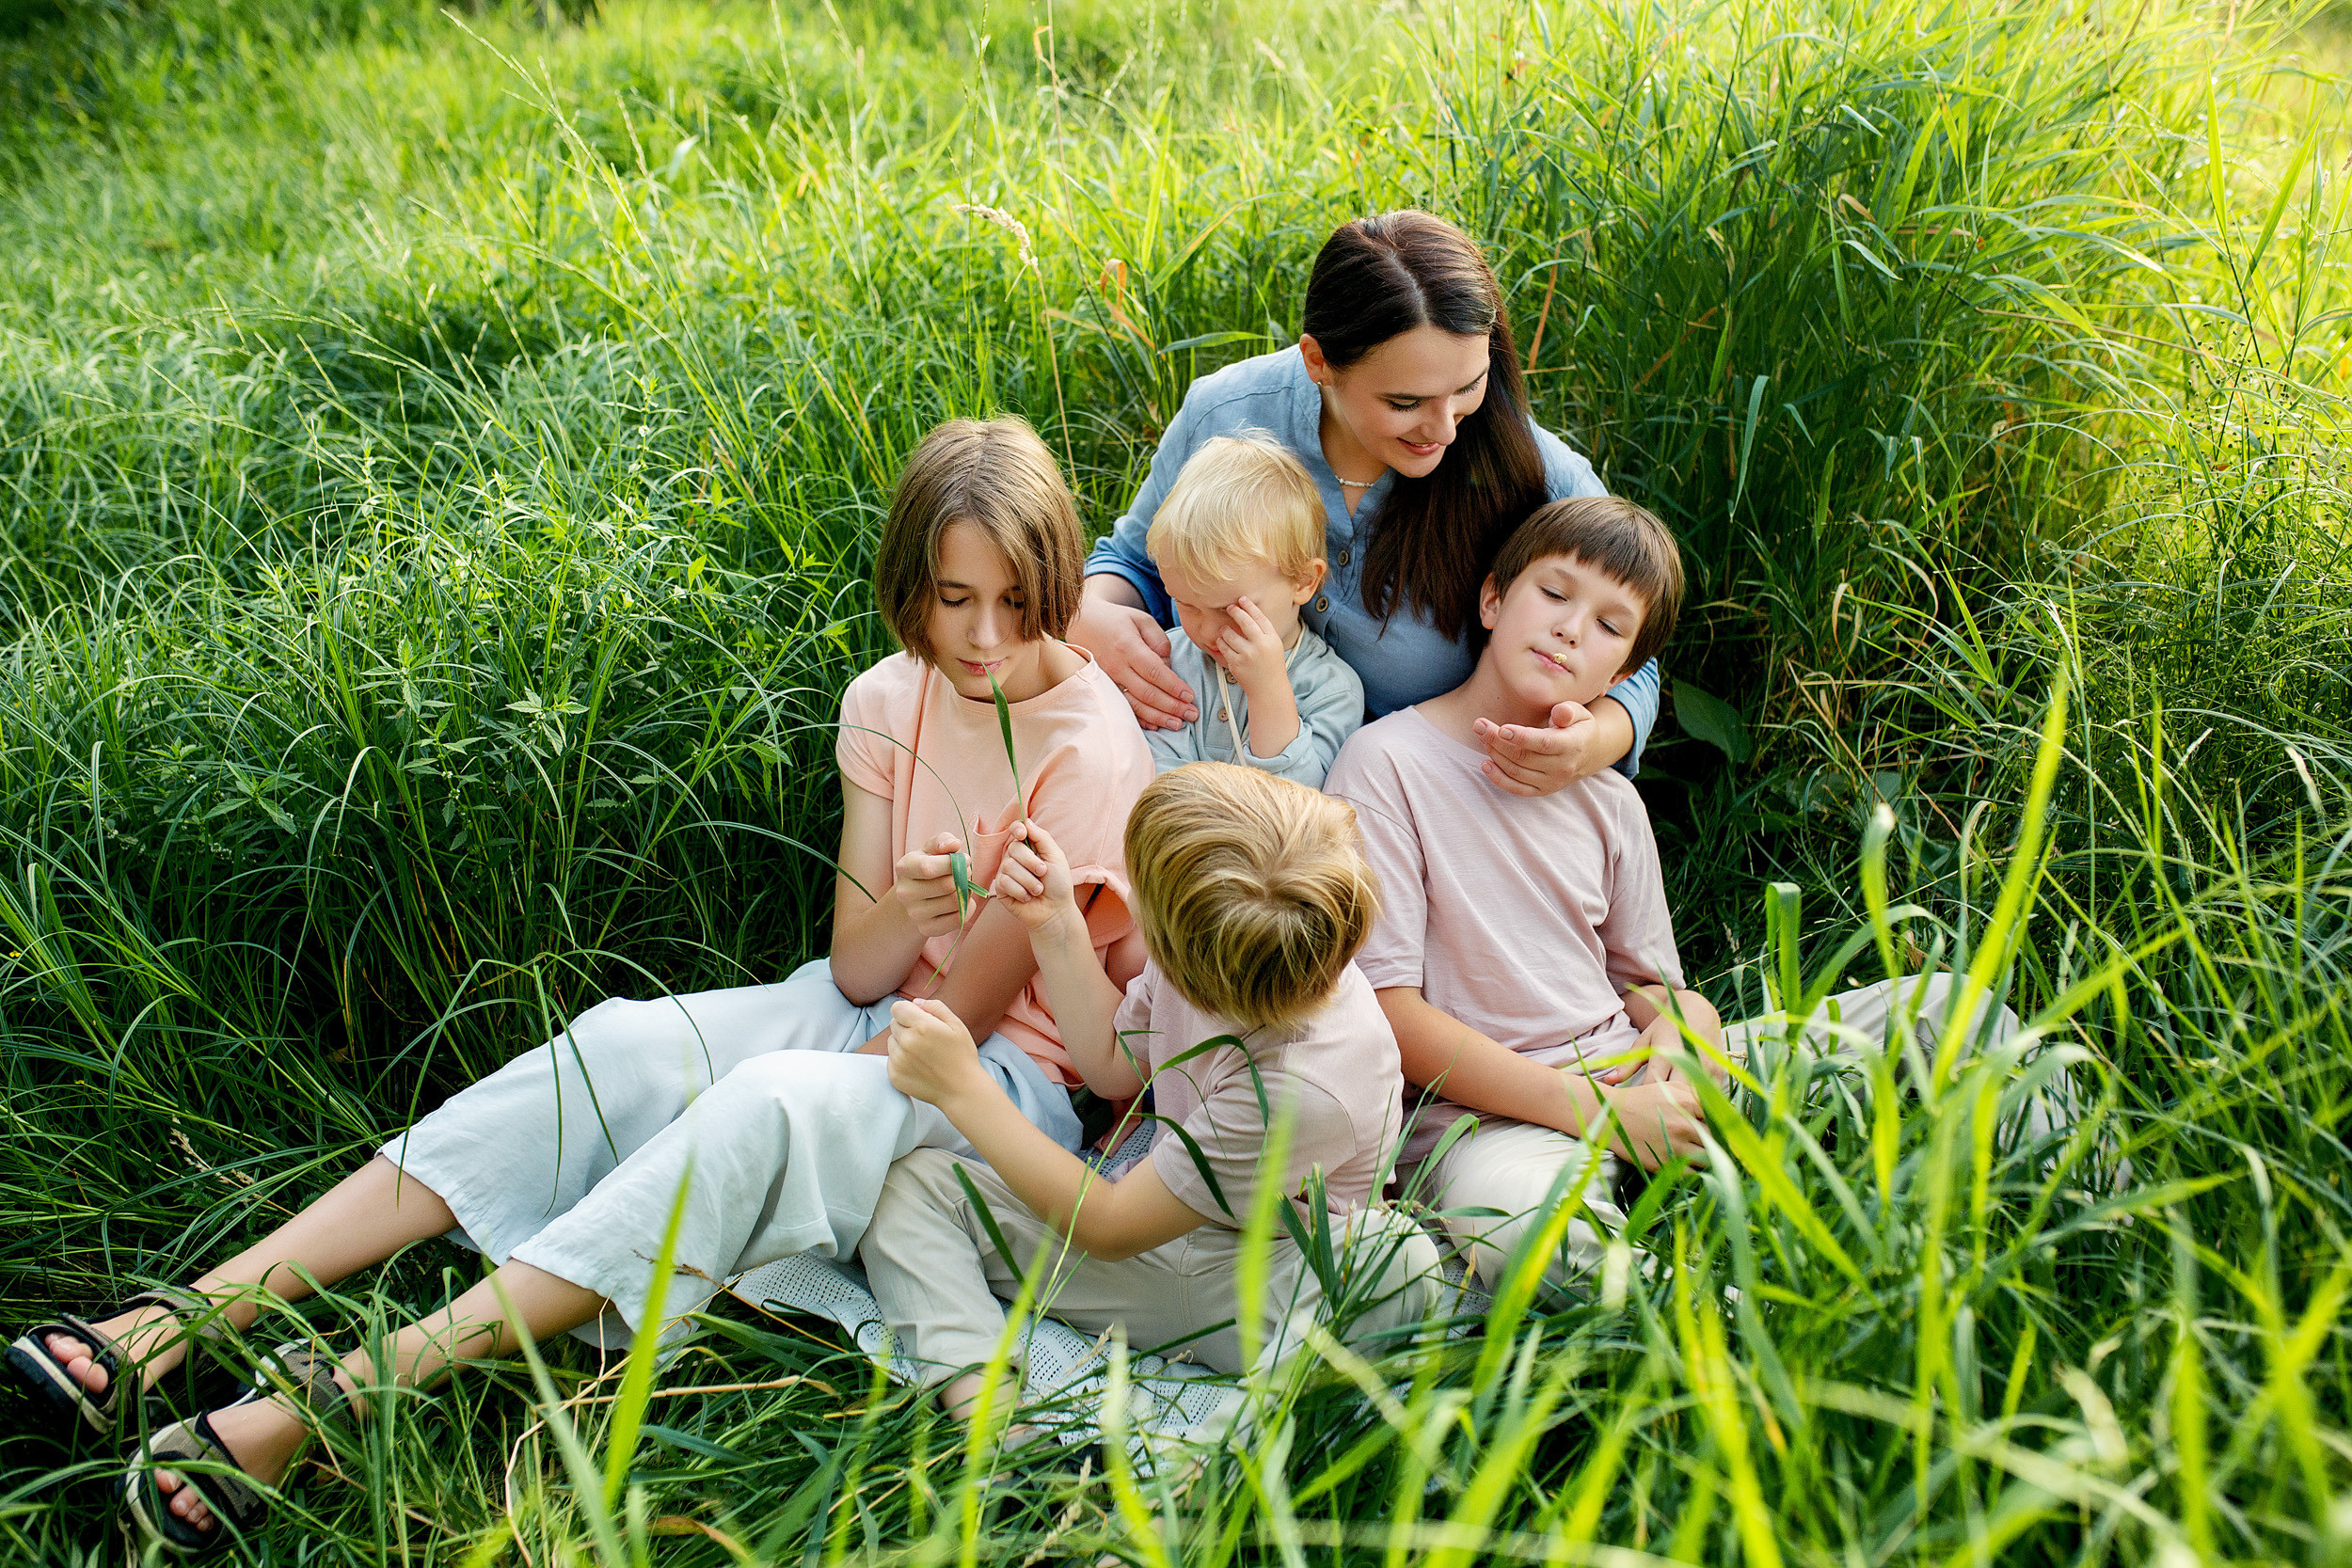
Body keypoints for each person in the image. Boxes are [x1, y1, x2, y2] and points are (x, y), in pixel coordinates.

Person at [5, 416, 1154, 1554]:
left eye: (1014, 599)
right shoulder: (886, 695)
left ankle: (328, 1396)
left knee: (753, 1113)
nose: (986, 636)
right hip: (874, 998)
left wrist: (780, 1096)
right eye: (955, 599)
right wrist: (910, 907)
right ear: (912, 579)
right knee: (625, 1047)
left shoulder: (1083, 746)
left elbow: (951, 1021)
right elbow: (858, 965)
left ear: (1052, 581)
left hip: (996, 1080)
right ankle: (185, 1313)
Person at [1327, 498, 2058, 1291]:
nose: (1573, 628)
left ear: (1627, 674)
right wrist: (1603, 1114)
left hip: (1637, 1074)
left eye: (1611, 625)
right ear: (1495, 597)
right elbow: (1392, 1014)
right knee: (1520, 1234)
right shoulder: (1387, 763)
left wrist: (1673, 1061)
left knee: (1955, 1006)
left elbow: (1657, 990)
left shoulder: (1607, 799)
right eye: (1555, 593)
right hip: (1490, 1124)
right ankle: (1745, 1329)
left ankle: (2107, 1224)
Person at [860, 764, 1440, 1438]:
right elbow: (1112, 1062)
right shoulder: (1224, 961)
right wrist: (1055, 926)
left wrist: (962, 1088)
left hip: (1270, 1284)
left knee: (1399, 1260)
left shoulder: (1309, 1082)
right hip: (1166, 1236)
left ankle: (1199, 1465)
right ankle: (995, 1423)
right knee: (910, 1183)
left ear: (1181, 951)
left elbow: (1108, 1226)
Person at [1073, 209, 1662, 797]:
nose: (1446, 429)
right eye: (1406, 402)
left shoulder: (1529, 469)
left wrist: (1592, 743)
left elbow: (1634, 645)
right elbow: (1133, 564)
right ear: (1318, 361)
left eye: (1468, 387)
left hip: (1423, 795)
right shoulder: (1230, 413)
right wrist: (1094, 617)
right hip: (1197, 761)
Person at [1141, 434, 1365, 786]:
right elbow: (1151, 781)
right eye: (1184, 603)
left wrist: (1269, 692)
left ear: (1304, 581)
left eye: (1229, 609)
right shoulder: (1168, 665)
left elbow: (1300, 803)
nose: (1205, 631)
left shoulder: (1332, 692)